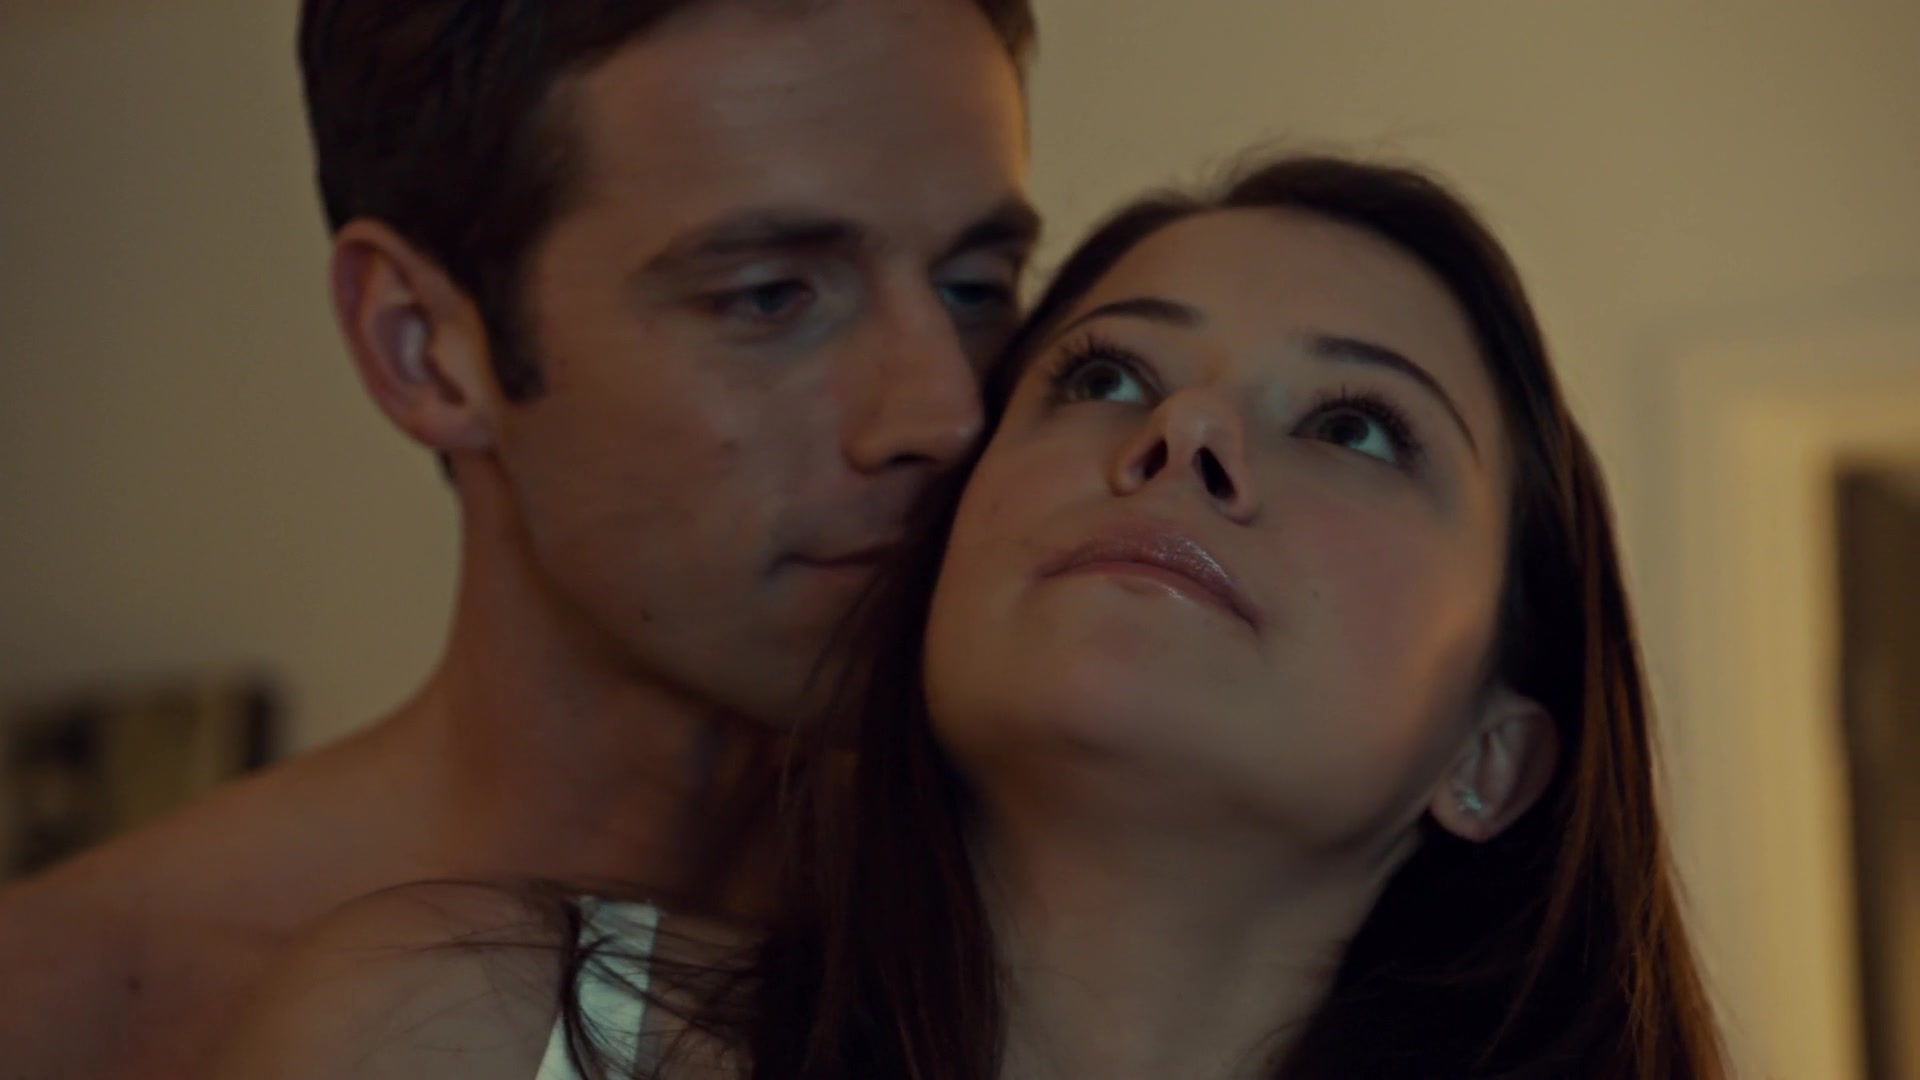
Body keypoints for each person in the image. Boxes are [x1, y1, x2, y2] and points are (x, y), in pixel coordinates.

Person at [210, 154, 1728, 1079]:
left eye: (1354, 426)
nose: (1186, 432)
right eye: (1105, 376)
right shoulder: (462, 1037)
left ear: (1493, 757)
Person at [0, 0, 1039, 1074]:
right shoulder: (73, 1018)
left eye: (975, 288)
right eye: (769, 297)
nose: (947, 412)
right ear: (425, 348)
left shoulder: (1081, 936)